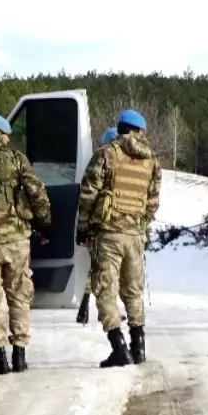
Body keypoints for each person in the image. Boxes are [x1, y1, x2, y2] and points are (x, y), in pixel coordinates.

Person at [77, 109, 162, 367]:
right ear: (140, 131)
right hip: (135, 236)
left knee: (106, 291)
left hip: (108, 234)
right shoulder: (152, 161)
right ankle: (139, 347)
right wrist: (140, 225)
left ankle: (119, 348)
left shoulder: (106, 154)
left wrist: (82, 229)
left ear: (119, 127)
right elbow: (153, 202)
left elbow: (88, 194)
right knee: (133, 291)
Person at [0, 112, 53, 375]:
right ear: (1, 135)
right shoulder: (16, 159)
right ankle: (20, 355)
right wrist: (45, 225)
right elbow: (37, 193)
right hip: (17, 240)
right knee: (19, 294)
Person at [75, 125, 124, 326]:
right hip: (111, 229)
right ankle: (105, 311)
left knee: (94, 270)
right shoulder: (120, 165)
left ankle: (85, 308)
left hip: (98, 226)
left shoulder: (99, 161)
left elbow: (88, 196)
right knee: (107, 274)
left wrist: (83, 228)